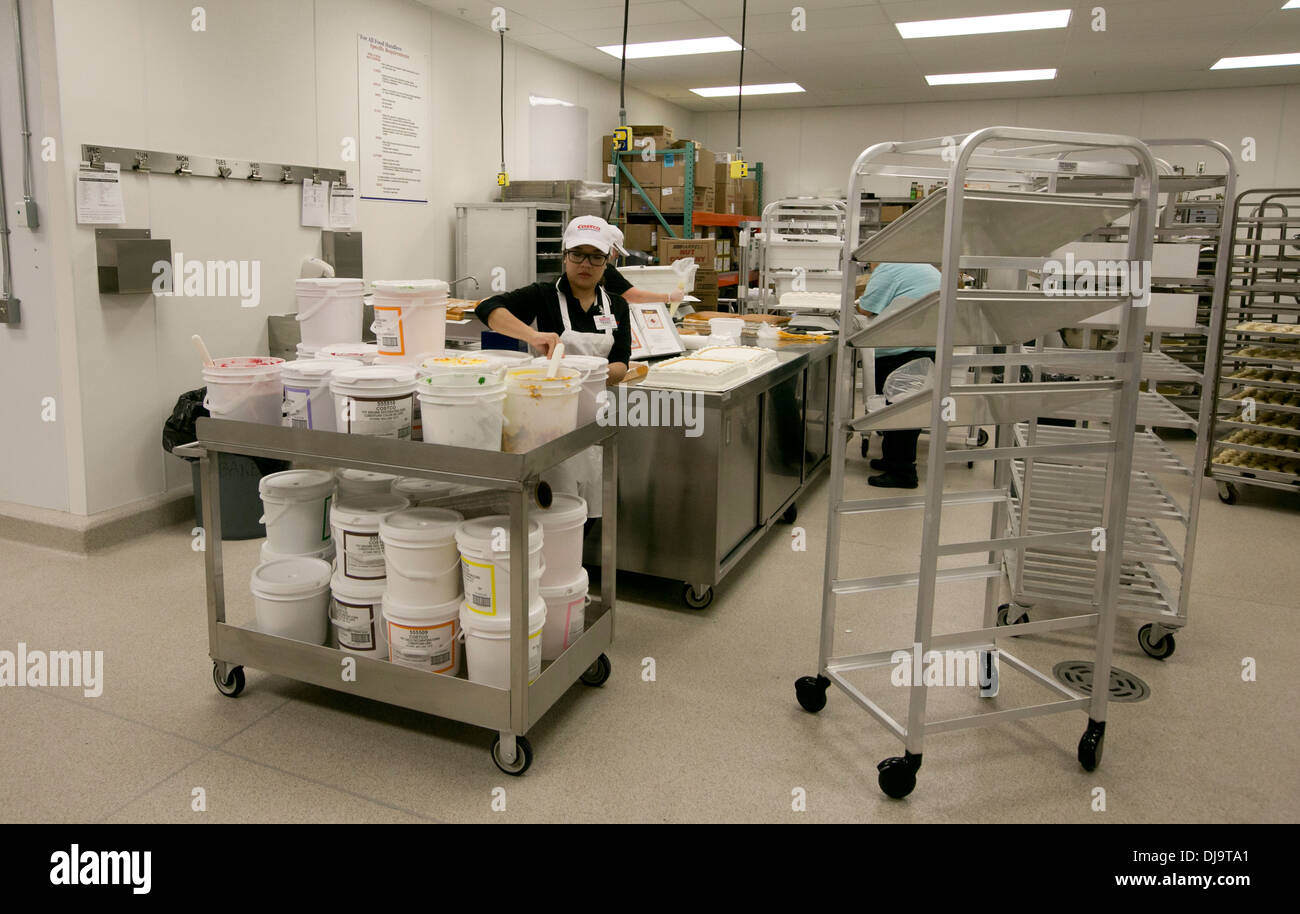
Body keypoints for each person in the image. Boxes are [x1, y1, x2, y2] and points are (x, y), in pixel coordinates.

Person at [473, 215, 630, 520]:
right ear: (564, 256)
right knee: (552, 509)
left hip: (594, 421)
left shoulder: (616, 305)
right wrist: (533, 335)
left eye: (596, 256)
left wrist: (589, 375)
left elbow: (622, 363)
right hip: (548, 425)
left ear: (607, 260)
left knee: (590, 512)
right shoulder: (543, 295)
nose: (585, 264)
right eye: (577, 254)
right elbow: (487, 308)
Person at [854, 261, 942, 489]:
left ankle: (904, 472)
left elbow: (867, 308)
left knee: (899, 408)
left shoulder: (888, 268)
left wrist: (856, 304)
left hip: (903, 347)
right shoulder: (923, 267)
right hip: (925, 344)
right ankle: (892, 460)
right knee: (902, 405)